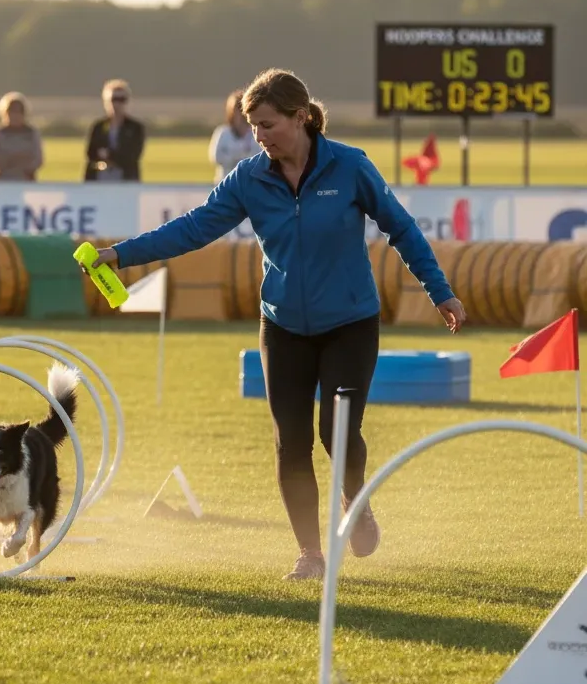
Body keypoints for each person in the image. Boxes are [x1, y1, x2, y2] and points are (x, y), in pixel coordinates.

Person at [84, 68, 467, 581]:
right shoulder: (249, 178)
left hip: (350, 323)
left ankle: (356, 499)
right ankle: (310, 554)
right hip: (283, 326)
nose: (258, 136)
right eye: (253, 127)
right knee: (291, 442)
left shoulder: (350, 166)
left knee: (338, 432)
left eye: (267, 125)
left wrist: (440, 292)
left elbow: (401, 229)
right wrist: (121, 254)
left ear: (300, 117)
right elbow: (194, 228)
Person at [83, 79, 145, 182]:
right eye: (114, 99)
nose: (117, 104)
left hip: (126, 181)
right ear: (106, 101)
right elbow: (91, 155)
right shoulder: (98, 127)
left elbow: (132, 156)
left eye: (122, 99)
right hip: (100, 180)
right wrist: (104, 163)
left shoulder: (135, 128)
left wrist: (108, 155)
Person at [0, 93, 43, 181]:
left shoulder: (31, 133)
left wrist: (25, 166)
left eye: (18, 112)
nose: (15, 116)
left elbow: (38, 158)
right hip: (2, 179)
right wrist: (9, 162)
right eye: (11, 112)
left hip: (26, 179)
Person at [209, 91, 261, 182]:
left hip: (248, 182)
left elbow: (259, 158)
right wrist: (236, 157)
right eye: (237, 109)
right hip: (225, 182)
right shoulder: (223, 132)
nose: (241, 113)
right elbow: (216, 157)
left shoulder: (255, 133)